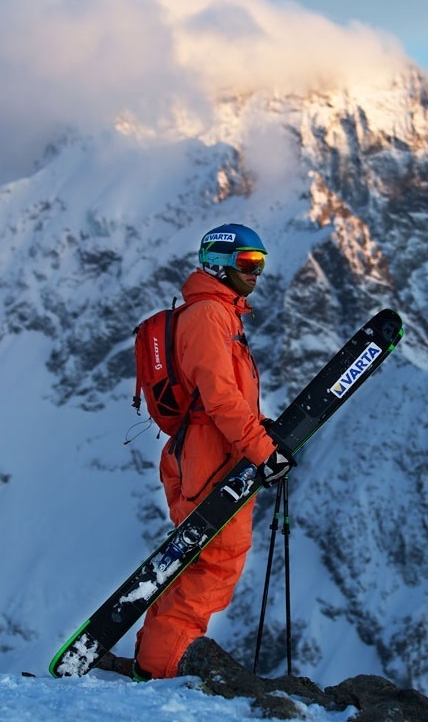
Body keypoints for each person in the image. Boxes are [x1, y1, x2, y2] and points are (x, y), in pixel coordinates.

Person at [132, 223, 294, 680]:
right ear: (220, 265)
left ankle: (155, 658)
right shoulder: (208, 316)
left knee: (194, 562)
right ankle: (162, 669)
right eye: (248, 263)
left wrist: (258, 436)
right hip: (209, 455)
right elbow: (220, 398)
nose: (256, 273)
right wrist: (264, 450)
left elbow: (224, 399)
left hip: (210, 450)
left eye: (260, 263)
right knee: (214, 562)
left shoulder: (221, 313)